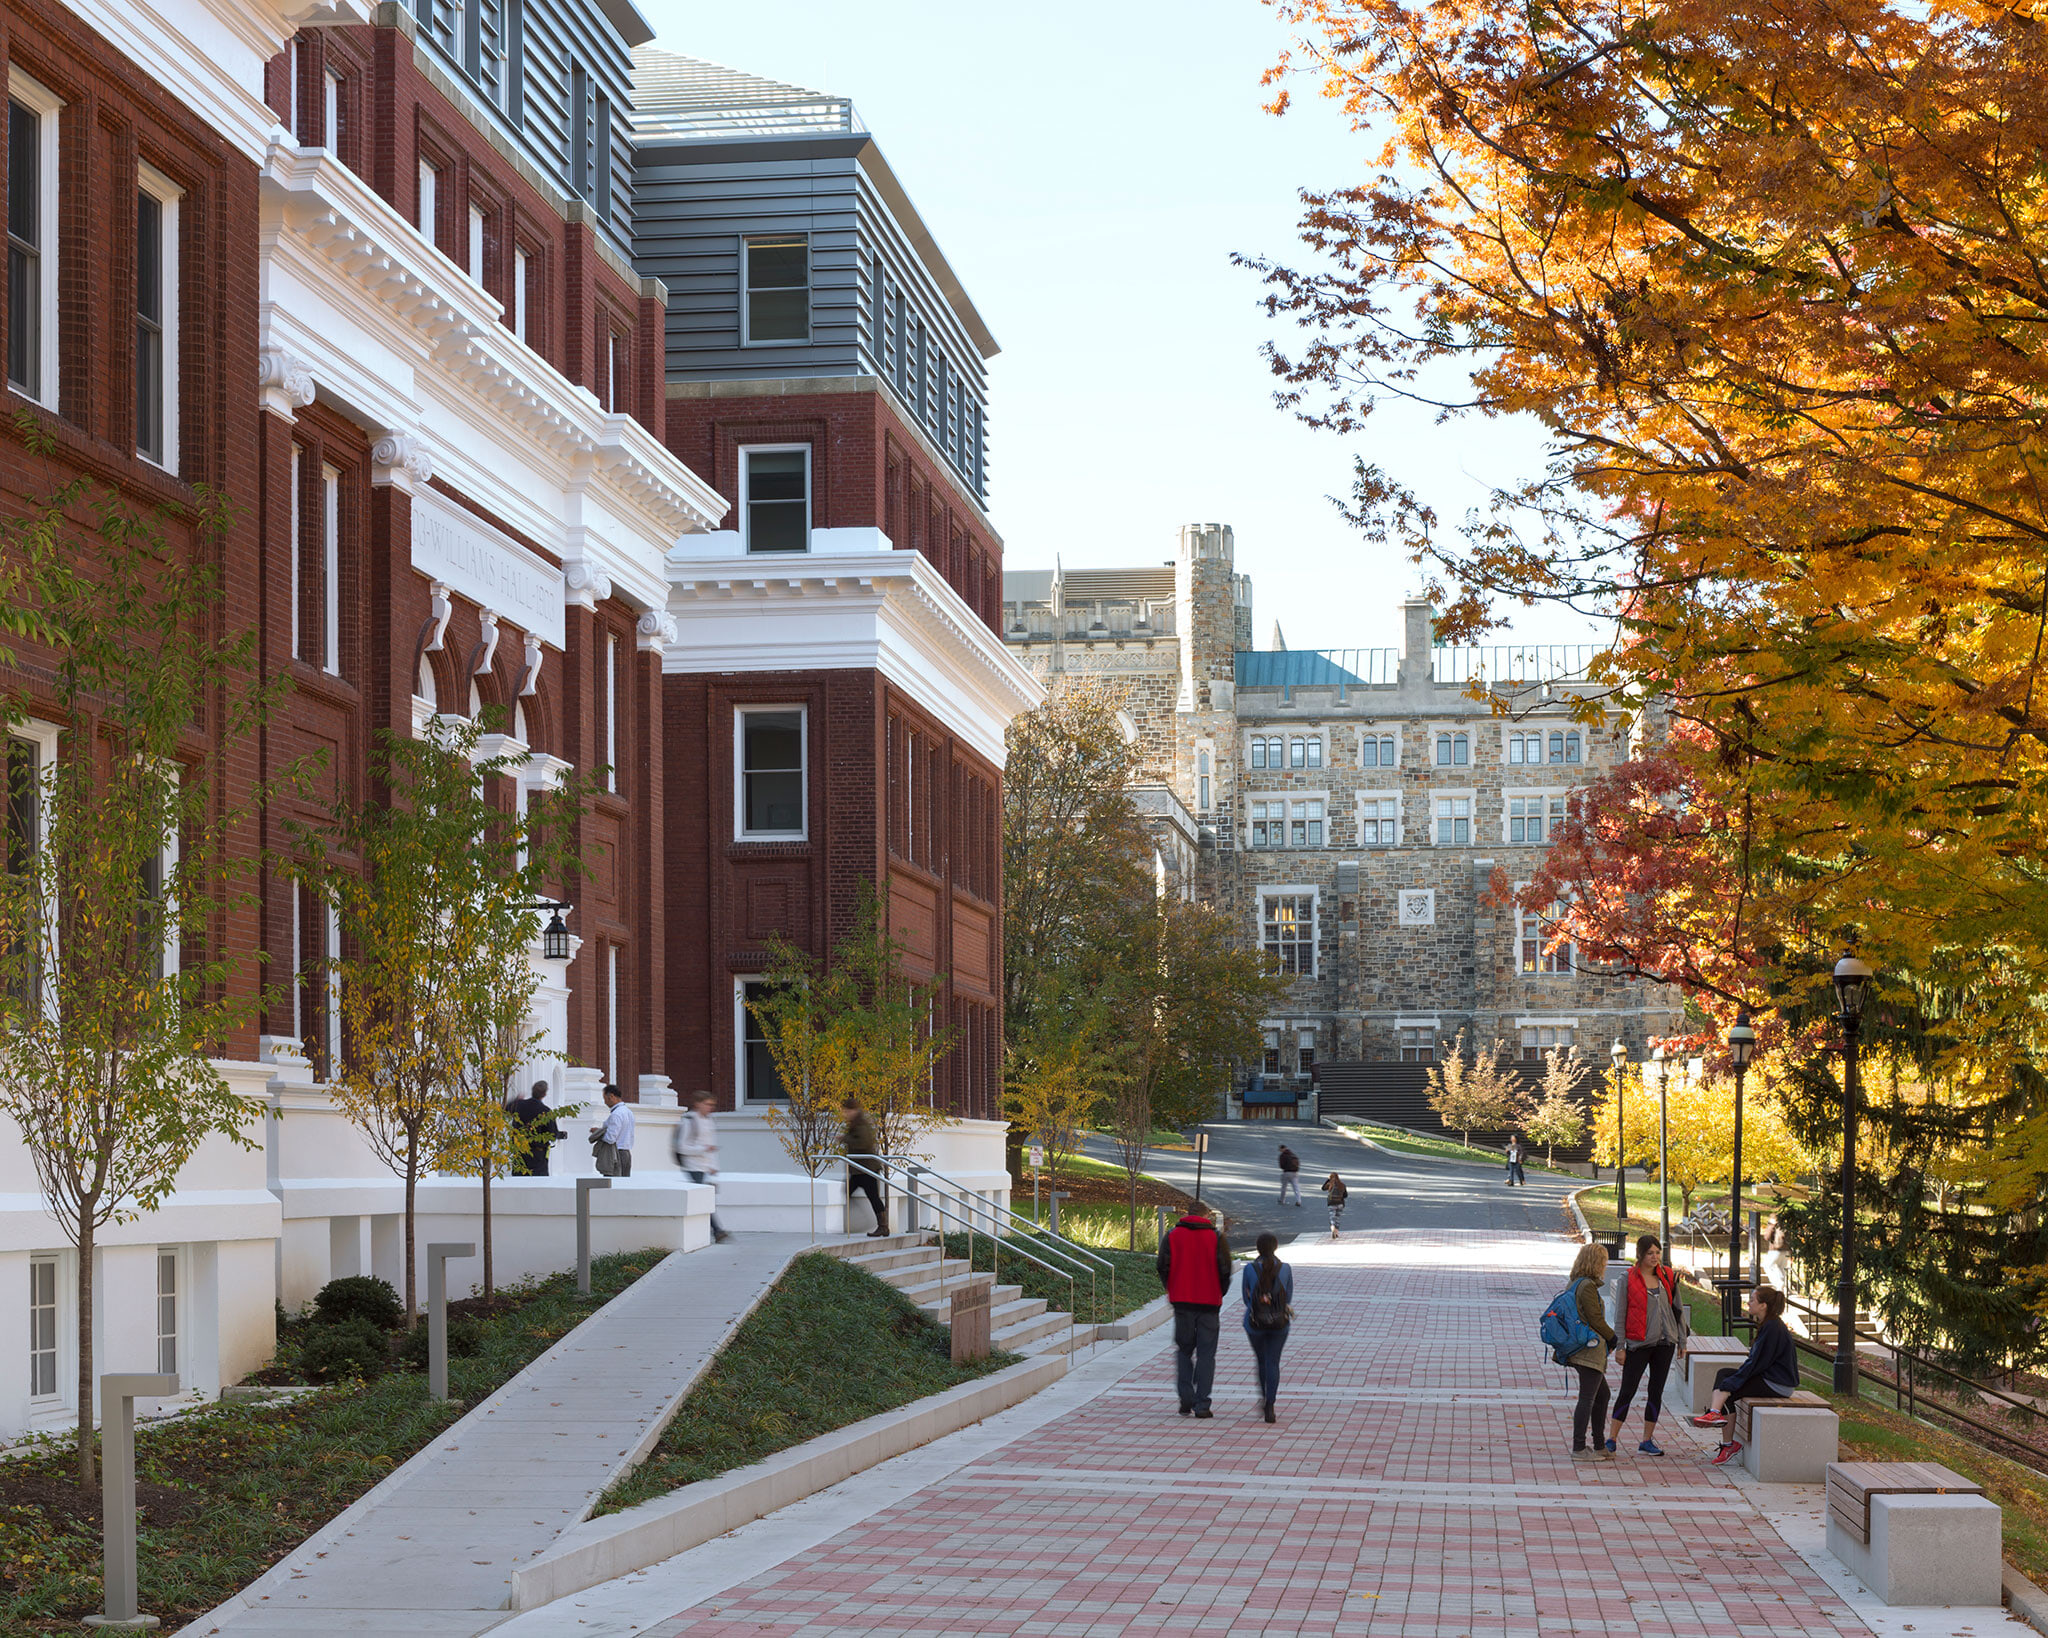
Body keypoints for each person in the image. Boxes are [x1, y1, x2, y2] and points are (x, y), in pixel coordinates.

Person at [1691, 1285, 1798, 1465]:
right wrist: (1731, 1380)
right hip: (1770, 1377)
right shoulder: (1769, 1324)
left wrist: (1732, 1384)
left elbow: (1756, 1364)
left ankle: (1720, 1426)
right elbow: (1756, 1363)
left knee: (1729, 1391)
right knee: (1724, 1374)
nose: (1748, 1303)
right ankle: (1716, 1415)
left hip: (1778, 1383)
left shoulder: (1773, 1327)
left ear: (1763, 1305)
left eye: (1752, 1300)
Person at [1607, 1234, 1685, 1455]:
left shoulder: (1667, 1276)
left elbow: (1678, 1310)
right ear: (1640, 1255)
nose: (1655, 1257)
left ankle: (1646, 1440)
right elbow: (1620, 1315)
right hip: (1638, 1344)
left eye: (1657, 1253)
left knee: (1656, 1391)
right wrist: (1620, 1346)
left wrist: (1681, 1340)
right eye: (1650, 1253)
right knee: (1627, 1390)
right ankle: (1612, 1438)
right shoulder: (1627, 1279)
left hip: (1665, 1343)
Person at [1156, 1200, 1232, 1417]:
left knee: (1184, 1349)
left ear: (1187, 1214)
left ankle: (1185, 1397)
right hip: (1209, 1302)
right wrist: (1220, 1291)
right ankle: (1203, 1404)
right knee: (1207, 1354)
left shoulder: (1172, 1236)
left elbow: (1162, 1265)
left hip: (1182, 1301)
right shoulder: (1216, 1238)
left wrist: (1172, 1287)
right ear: (1206, 1216)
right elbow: (1225, 1269)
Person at [1562, 1241, 1618, 1460]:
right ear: (1596, 1262)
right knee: (1588, 1397)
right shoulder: (1586, 1287)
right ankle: (1579, 1447)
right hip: (1588, 1349)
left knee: (1602, 1394)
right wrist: (1613, 1337)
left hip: (1582, 1347)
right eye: (1603, 1261)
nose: (1605, 1265)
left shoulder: (1575, 1283)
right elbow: (1595, 1319)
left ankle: (1599, 1445)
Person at [1241, 1231, 1294, 1423]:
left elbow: (1246, 1298)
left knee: (1261, 1360)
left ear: (1258, 1248)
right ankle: (1270, 1404)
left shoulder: (1249, 1269)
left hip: (1255, 1323)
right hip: (1279, 1324)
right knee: (1273, 1361)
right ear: (1276, 1247)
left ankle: (1263, 1397)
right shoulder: (1285, 1268)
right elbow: (1288, 1297)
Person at [673, 1091, 732, 1244]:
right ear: (698, 1104)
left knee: (707, 1200)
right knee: (703, 1200)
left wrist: (713, 1166)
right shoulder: (689, 1121)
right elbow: (681, 1147)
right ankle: (717, 1231)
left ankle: (713, 1230)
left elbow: (711, 1145)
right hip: (693, 1167)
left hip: (706, 1168)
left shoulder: (709, 1121)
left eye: (712, 1105)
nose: (710, 1108)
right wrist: (702, 1149)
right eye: (707, 1104)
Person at [841, 1098, 888, 1238]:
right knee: (848, 1191)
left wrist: (845, 1139)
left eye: (847, 1111)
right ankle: (854, 1223)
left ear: (854, 1110)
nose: (845, 1114)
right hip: (859, 1169)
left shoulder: (861, 1124)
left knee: (873, 1197)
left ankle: (882, 1226)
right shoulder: (856, 1123)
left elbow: (864, 1143)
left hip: (866, 1169)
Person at [507, 1080, 561, 1177]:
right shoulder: (546, 1111)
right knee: (537, 1182)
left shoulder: (518, 1105)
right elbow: (552, 1135)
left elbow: (503, 1109)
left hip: (519, 1152)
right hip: (537, 1155)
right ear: (544, 1094)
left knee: (519, 1181)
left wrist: (515, 1100)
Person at [590, 1084, 634, 1176]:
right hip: (626, 1153)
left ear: (611, 1096)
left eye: (605, 1098)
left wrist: (598, 1133)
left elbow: (610, 1138)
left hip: (615, 1154)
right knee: (623, 1185)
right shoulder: (628, 1112)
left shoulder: (616, 1114)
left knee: (613, 1185)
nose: (605, 1102)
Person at [1320, 1171, 1348, 1240]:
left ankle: (1333, 1229)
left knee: (1332, 1218)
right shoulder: (1342, 1185)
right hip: (1340, 1204)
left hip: (1332, 1203)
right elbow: (1345, 1195)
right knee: (1337, 1218)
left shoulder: (1329, 1184)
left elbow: (1323, 1188)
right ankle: (1336, 1232)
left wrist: (1328, 1180)